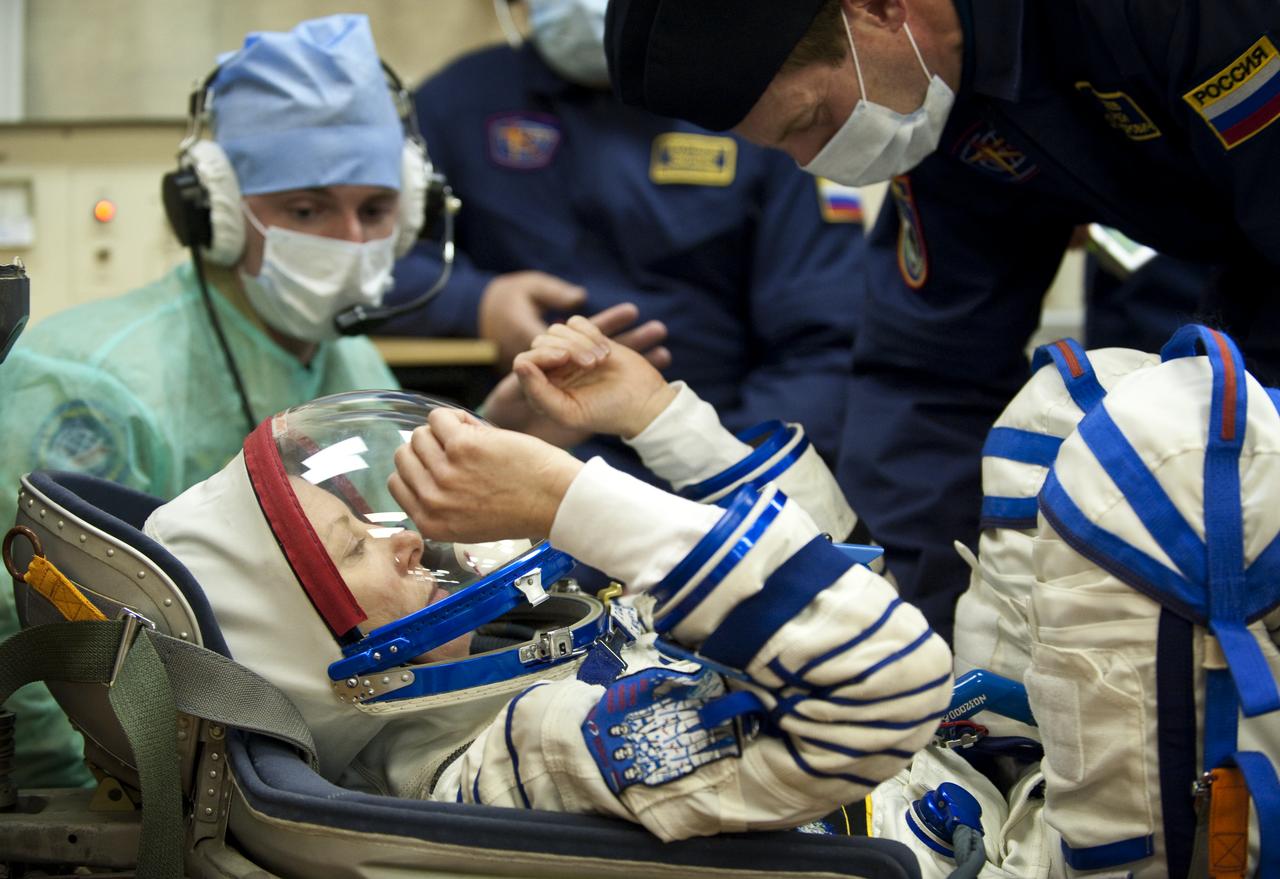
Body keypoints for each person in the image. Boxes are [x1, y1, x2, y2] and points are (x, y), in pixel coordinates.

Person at [601, 0, 1280, 642]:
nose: (810, 160)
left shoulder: (1179, 14)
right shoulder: (936, 107)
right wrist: (900, 636)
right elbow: (929, 375)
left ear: (877, 7)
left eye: (809, 120)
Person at [141, 319, 950, 840]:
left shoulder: (477, 695)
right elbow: (887, 674)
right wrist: (571, 499)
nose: (407, 543)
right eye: (357, 547)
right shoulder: (510, 766)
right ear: (319, 656)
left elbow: (849, 572)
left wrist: (661, 421)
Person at [0, 14, 433, 791]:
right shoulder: (87, 380)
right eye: (306, 210)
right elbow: (37, 658)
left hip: (304, 767)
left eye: (375, 211)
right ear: (219, 212)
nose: (348, 239)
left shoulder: (354, 361)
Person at [382, 0, 868, 472]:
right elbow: (358, 263)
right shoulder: (456, 101)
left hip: (723, 449)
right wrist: (475, 303)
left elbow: (824, 340)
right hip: (524, 449)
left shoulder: (751, 91)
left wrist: (726, 472)